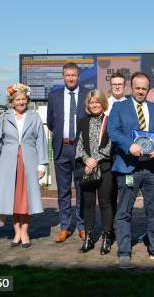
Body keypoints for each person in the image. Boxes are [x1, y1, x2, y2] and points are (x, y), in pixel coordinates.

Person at [107, 72, 154, 268]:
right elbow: (113, 131)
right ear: (131, 87)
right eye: (138, 88)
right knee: (124, 212)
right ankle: (125, 252)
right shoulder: (119, 107)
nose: (141, 91)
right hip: (129, 167)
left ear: (149, 89)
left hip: (153, 168)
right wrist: (129, 145)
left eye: (144, 88)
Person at [0, 83, 48, 249]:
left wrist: (41, 166)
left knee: (25, 199)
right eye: (18, 99)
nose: (21, 102)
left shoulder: (35, 117)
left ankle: (25, 232)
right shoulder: (4, 117)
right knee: (12, 199)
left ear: (27, 100)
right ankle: (16, 232)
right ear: (12, 101)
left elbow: (41, 142)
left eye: (23, 99)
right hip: (8, 163)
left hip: (28, 163)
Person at [47, 62, 90, 242]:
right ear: (63, 76)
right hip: (61, 148)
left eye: (73, 75)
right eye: (67, 75)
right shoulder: (54, 96)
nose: (71, 78)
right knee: (63, 191)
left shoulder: (87, 95)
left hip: (80, 149)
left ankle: (82, 226)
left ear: (78, 76)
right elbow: (51, 122)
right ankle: (65, 227)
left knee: (81, 190)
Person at [75, 90, 115, 254]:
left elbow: (111, 144)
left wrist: (95, 159)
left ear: (103, 103)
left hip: (105, 168)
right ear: (88, 105)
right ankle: (89, 238)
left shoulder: (110, 121)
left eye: (97, 102)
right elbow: (79, 145)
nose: (94, 105)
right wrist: (86, 160)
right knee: (88, 204)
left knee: (105, 203)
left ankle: (106, 237)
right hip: (87, 169)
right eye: (91, 102)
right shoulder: (83, 121)